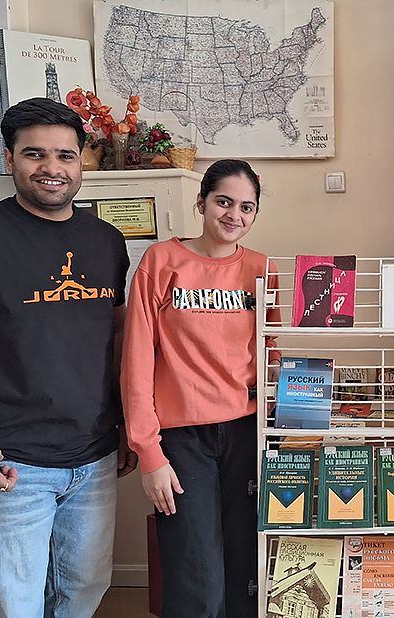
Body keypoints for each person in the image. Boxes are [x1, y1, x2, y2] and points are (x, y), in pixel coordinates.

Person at [0, 97, 135, 617]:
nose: (52, 168)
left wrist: (127, 425)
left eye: (65, 155)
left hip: (94, 456)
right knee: (13, 606)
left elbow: (119, 334)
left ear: (82, 162)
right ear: (9, 157)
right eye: (35, 153)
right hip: (10, 463)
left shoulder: (106, 240)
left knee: (81, 595)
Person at [121, 159, 281, 618]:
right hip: (181, 439)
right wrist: (149, 454)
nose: (234, 215)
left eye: (246, 207)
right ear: (202, 202)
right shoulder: (161, 262)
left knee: (247, 568)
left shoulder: (262, 268)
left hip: (246, 433)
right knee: (197, 579)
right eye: (223, 202)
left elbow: (270, 352)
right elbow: (137, 360)